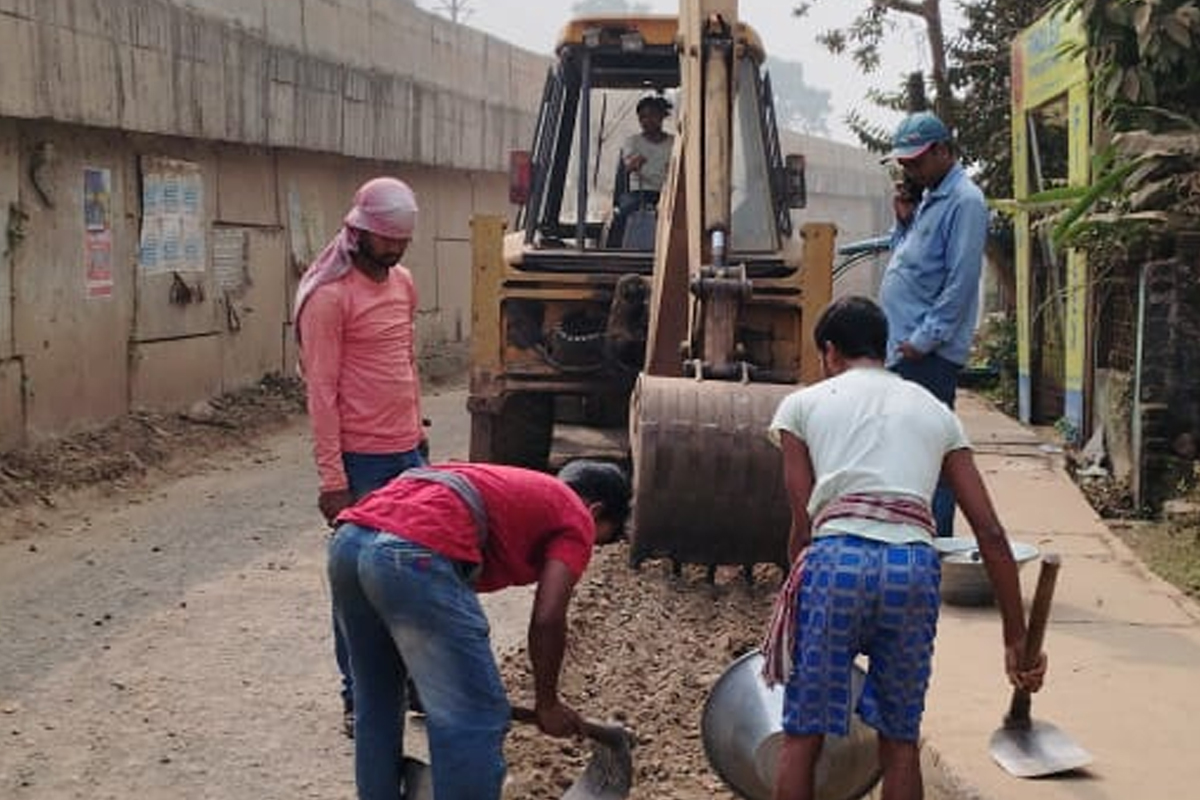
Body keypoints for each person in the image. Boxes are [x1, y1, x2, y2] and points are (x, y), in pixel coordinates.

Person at [761, 296, 1046, 800]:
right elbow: (990, 534)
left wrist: (797, 587)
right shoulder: (935, 411)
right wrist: (1015, 638)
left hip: (836, 562)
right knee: (900, 740)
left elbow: (804, 522)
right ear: (884, 348)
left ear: (830, 352)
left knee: (803, 735)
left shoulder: (802, 406)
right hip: (910, 567)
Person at [327, 459, 632, 800]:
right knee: (476, 717)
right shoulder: (576, 515)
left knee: (378, 699)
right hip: (411, 552)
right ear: (595, 511)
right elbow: (548, 617)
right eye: (600, 540)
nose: (588, 550)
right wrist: (547, 703)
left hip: (349, 542)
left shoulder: (519, 489)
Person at [293, 176, 428, 736]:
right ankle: (360, 698)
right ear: (360, 232)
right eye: (386, 239)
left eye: (403, 241)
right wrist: (333, 478)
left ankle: (417, 683)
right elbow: (321, 391)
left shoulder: (403, 284)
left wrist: (418, 434)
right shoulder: (329, 297)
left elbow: (406, 362)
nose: (395, 249)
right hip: (361, 463)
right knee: (359, 587)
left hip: (407, 454)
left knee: (420, 575)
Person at [878, 111, 989, 537]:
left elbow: (961, 282)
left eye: (917, 162)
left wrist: (923, 340)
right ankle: (912, 535)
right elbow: (908, 259)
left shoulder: (964, 201)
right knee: (905, 452)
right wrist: (903, 221)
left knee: (932, 455)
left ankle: (935, 541)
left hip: (927, 355)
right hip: (904, 349)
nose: (911, 171)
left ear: (943, 151)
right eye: (905, 164)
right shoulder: (929, 198)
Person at [608, 95, 674, 247]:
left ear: (661, 117)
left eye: (651, 115)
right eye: (642, 117)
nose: (647, 120)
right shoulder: (633, 142)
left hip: (667, 192)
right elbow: (628, 166)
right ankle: (614, 251)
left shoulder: (673, 143)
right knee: (623, 213)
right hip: (640, 192)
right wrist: (635, 163)